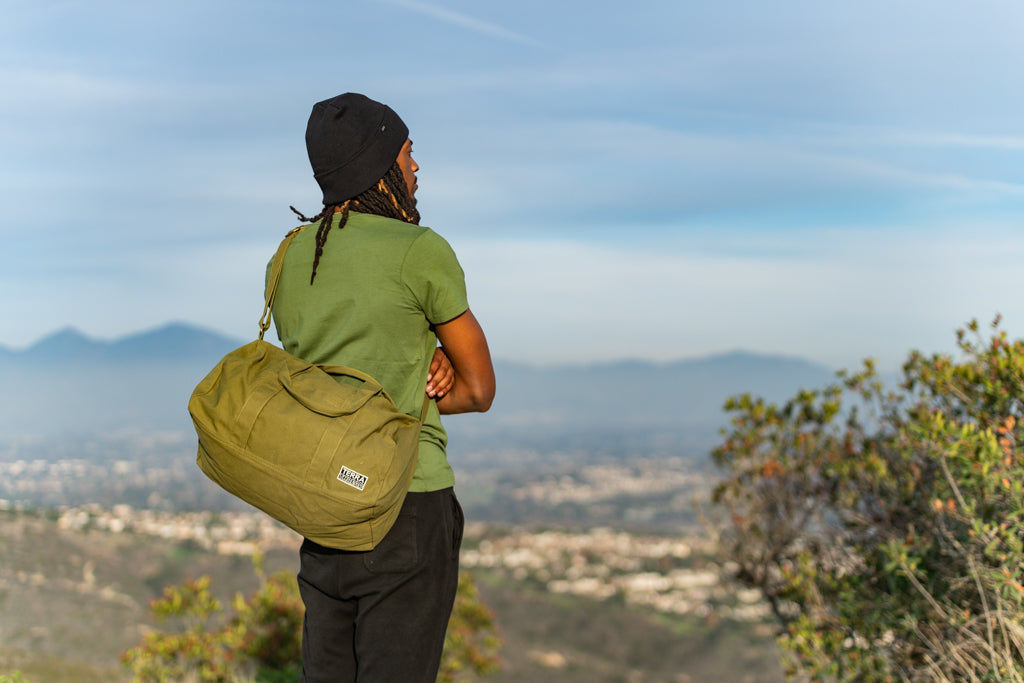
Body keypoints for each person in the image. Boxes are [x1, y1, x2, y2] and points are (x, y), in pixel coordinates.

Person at [269, 92, 496, 682]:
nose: (416, 167)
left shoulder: (292, 257)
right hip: (407, 504)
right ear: (381, 165)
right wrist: (436, 365)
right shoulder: (420, 251)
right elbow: (479, 390)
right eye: (408, 153)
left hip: (325, 506)